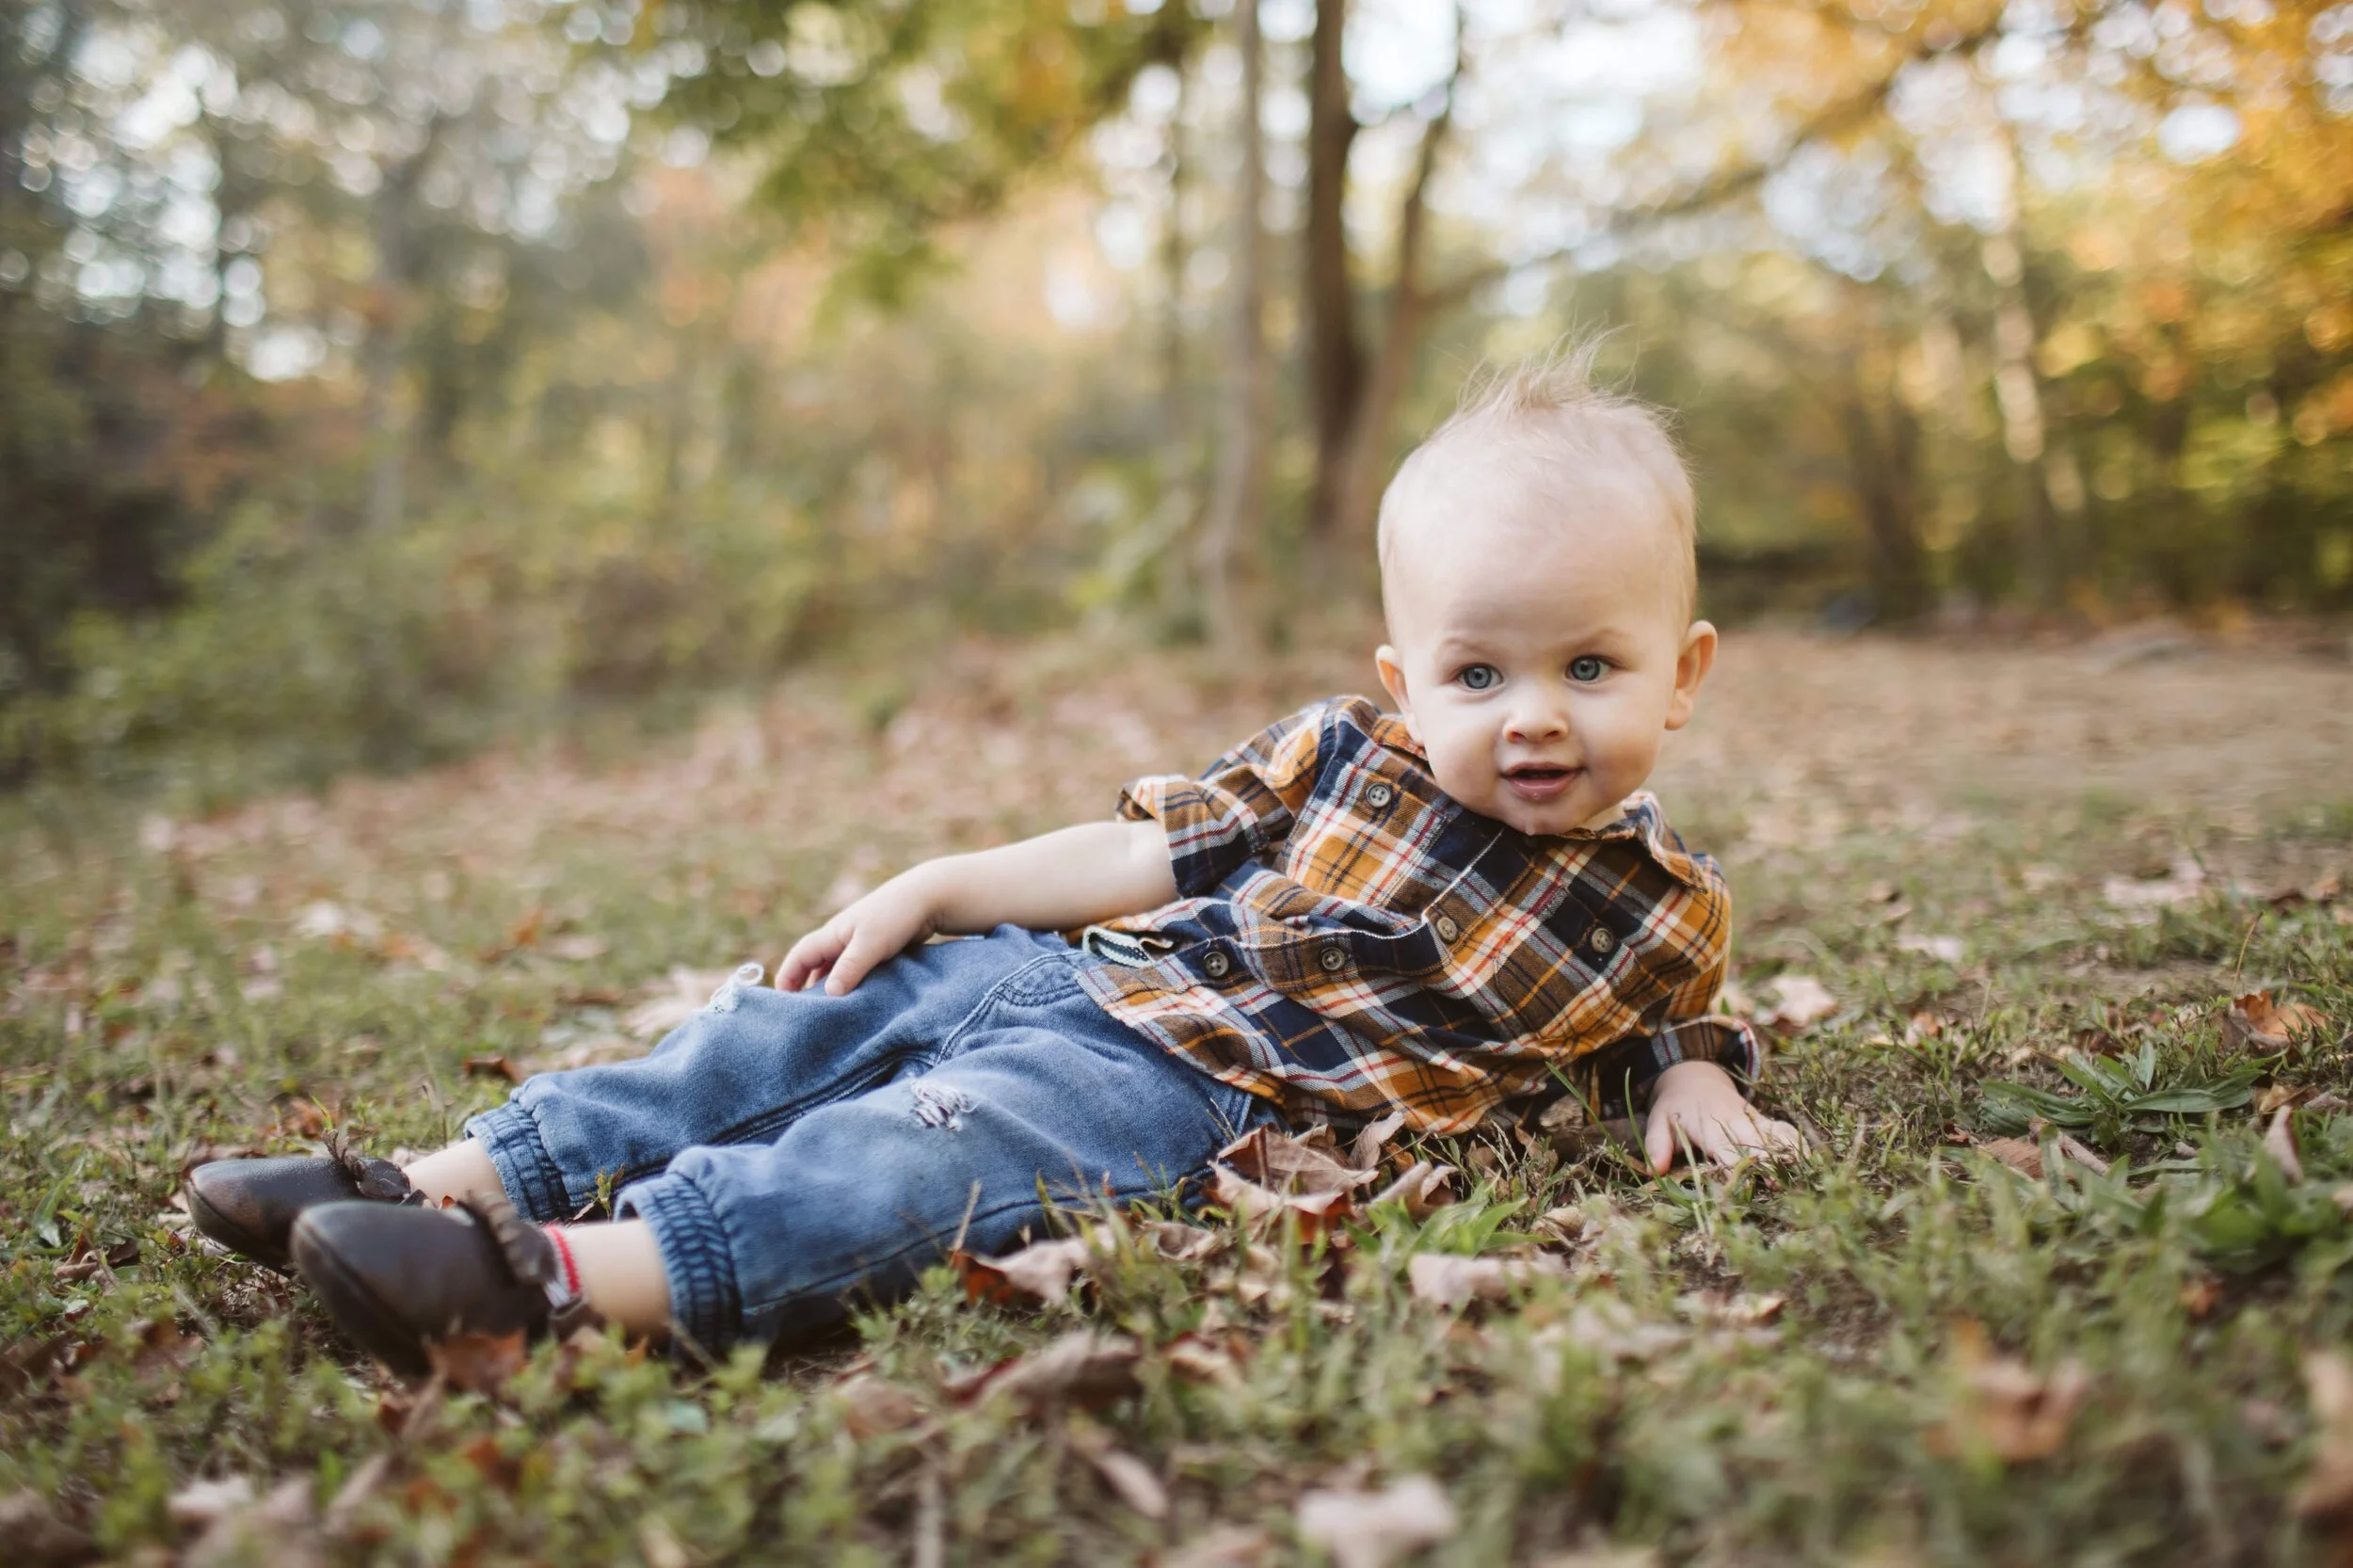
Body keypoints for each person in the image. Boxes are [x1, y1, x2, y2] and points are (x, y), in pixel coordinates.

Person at [185, 347, 1801, 1374]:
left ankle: (551, 1280)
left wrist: (1690, 1074)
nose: (1531, 718)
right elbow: (1143, 850)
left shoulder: (1658, 907)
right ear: (1405, 681)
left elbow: (1675, 1003)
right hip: (1079, 974)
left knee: (909, 1155)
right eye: (1479, 674)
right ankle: (448, 1179)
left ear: (1683, 671)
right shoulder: (1339, 753)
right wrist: (937, 886)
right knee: (772, 1037)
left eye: (1589, 667)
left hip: (1195, 1092)